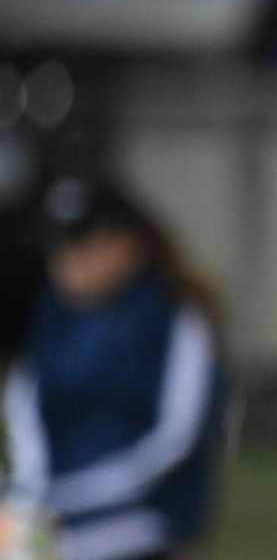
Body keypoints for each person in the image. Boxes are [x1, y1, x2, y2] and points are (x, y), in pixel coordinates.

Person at [2, 177, 225, 560]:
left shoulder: (175, 318)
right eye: (60, 245)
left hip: (147, 521)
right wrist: (30, 494)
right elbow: (27, 409)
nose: (67, 260)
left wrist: (58, 498)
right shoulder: (51, 315)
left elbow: (171, 441)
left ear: (128, 245)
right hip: (55, 515)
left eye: (84, 245)